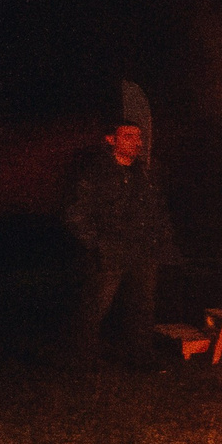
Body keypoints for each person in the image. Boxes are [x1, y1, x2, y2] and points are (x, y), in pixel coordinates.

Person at [65, 119, 178, 366]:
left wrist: (160, 241)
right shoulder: (96, 173)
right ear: (111, 140)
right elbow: (77, 212)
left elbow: (158, 210)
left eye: (138, 137)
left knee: (142, 305)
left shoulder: (145, 173)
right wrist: (96, 244)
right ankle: (83, 356)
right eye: (128, 136)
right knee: (96, 304)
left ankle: (140, 355)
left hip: (143, 249)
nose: (136, 142)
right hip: (110, 249)